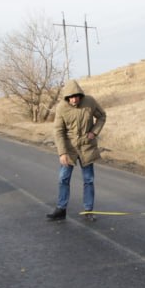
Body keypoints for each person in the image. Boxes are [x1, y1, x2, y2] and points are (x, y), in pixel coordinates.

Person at [47, 78, 107, 220]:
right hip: (69, 149)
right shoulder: (61, 107)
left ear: (80, 95)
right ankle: (61, 210)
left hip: (87, 147)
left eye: (76, 96)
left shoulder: (90, 102)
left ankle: (88, 210)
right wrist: (62, 153)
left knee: (88, 180)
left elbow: (102, 116)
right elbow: (58, 131)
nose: (74, 100)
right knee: (63, 179)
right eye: (71, 97)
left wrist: (94, 132)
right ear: (67, 97)